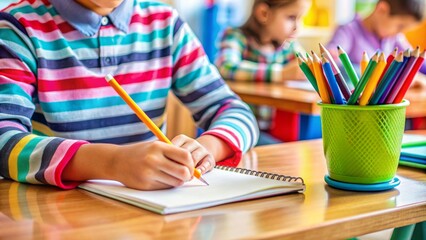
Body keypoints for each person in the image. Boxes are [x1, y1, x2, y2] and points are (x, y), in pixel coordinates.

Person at [0, 0, 258, 190]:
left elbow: (235, 111)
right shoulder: (17, 26)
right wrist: (112, 163)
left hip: (153, 215)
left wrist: (207, 148)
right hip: (56, 214)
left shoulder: (165, 24)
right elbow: (4, 141)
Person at [215, 0, 311, 146]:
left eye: (301, 19)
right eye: (291, 17)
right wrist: (281, 74)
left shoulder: (288, 46)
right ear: (264, 14)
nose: (298, 27)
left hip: (273, 127)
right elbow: (227, 66)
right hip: (236, 127)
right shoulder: (236, 36)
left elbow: (309, 65)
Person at [326, 0, 426, 87]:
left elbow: (418, 62)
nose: (400, 32)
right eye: (400, 26)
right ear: (382, 9)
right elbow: (332, 59)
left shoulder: (394, 38)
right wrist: (402, 76)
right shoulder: (348, 31)